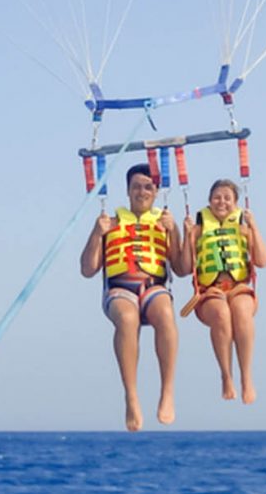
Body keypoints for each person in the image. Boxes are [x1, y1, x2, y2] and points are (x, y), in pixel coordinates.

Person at [80, 163, 188, 431]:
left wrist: (175, 231)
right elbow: (87, 269)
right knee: (128, 319)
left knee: (165, 312)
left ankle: (167, 392)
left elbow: (183, 270)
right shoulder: (111, 223)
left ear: (156, 191)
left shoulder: (164, 223)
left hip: (154, 287)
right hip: (119, 289)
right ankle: (131, 396)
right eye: (137, 187)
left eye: (148, 187)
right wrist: (96, 233)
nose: (142, 192)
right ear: (128, 191)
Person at [180, 179, 266, 404]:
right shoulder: (199, 228)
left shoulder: (243, 227)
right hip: (210, 291)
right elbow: (182, 269)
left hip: (239, 287)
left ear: (235, 203)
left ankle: (246, 377)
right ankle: (226, 376)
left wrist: (253, 229)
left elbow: (262, 261)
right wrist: (187, 236)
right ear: (209, 201)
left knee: (240, 311)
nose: (222, 202)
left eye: (228, 198)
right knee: (221, 314)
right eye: (217, 197)